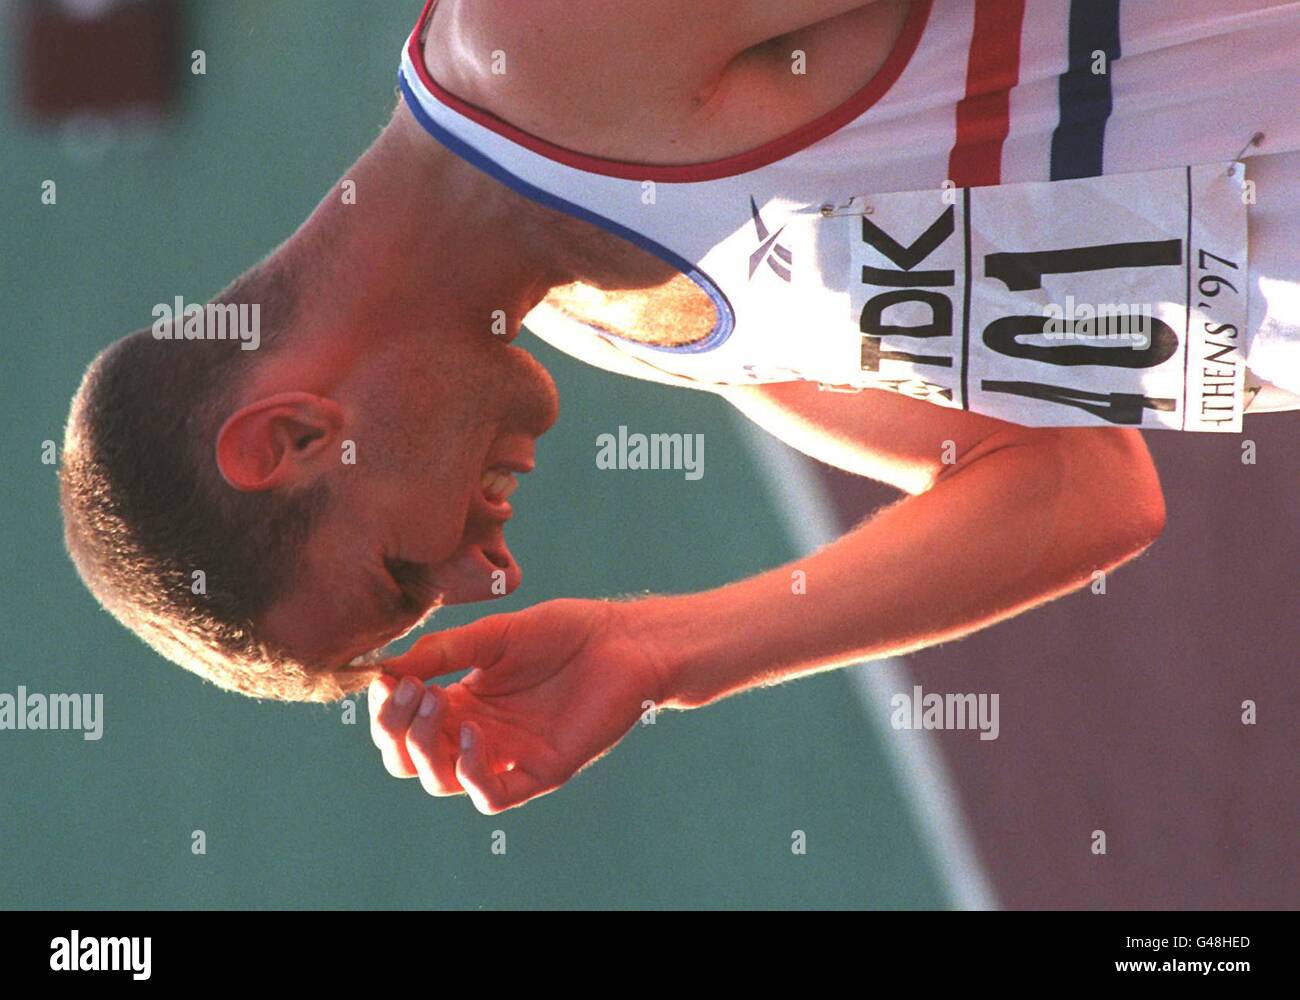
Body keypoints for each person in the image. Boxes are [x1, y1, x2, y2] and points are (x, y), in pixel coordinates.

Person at [60, 0, 1298, 812]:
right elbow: (1081, 487)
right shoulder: (639, 335)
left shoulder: (548, 42)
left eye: (402, 573)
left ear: (290, 437)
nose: (490, 573)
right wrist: (661, 654)